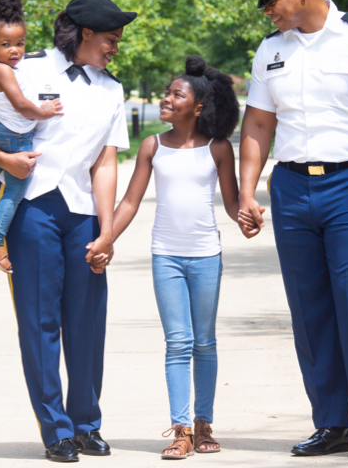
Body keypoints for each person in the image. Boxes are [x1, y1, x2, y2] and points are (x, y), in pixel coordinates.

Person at [237, 0, 348, 463]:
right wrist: (246, 193)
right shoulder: (270, 50)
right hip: (291, 187)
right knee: (309, 309)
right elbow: (258, 123)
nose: (265, 10)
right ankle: (331, 424)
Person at [0, 0, 136, 463]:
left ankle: (87, 423)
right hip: (33, 212)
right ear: (86, 33)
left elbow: (106, 162)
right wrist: (4, 159)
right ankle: (57, 430)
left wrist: (107, 231)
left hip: (84, 214)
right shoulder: (27, 67)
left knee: (87, 323)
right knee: (40, 323)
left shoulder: (112, 90)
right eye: (111, 39)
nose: (115, 48)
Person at [100, 56, 240, 459]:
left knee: (205, 343)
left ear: (197, 108)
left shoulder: (218, 149)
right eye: (166, 92)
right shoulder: (152, 145)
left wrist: (246, 215)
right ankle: (180, 429)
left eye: (175, 94)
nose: (166, 98)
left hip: (205, 256)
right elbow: (129, 202)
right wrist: (106, 238)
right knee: (177, 343)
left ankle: (203, 423)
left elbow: (231, 204)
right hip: (166, 256)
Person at [0, 0, 63, 274]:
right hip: (14, 137)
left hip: (5, 132)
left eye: (20, 43)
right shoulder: (2, 71)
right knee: (14, 189)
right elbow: (22, 105)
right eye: (6, 44)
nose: (15, 50)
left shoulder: (1, 67)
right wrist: (45, 111)